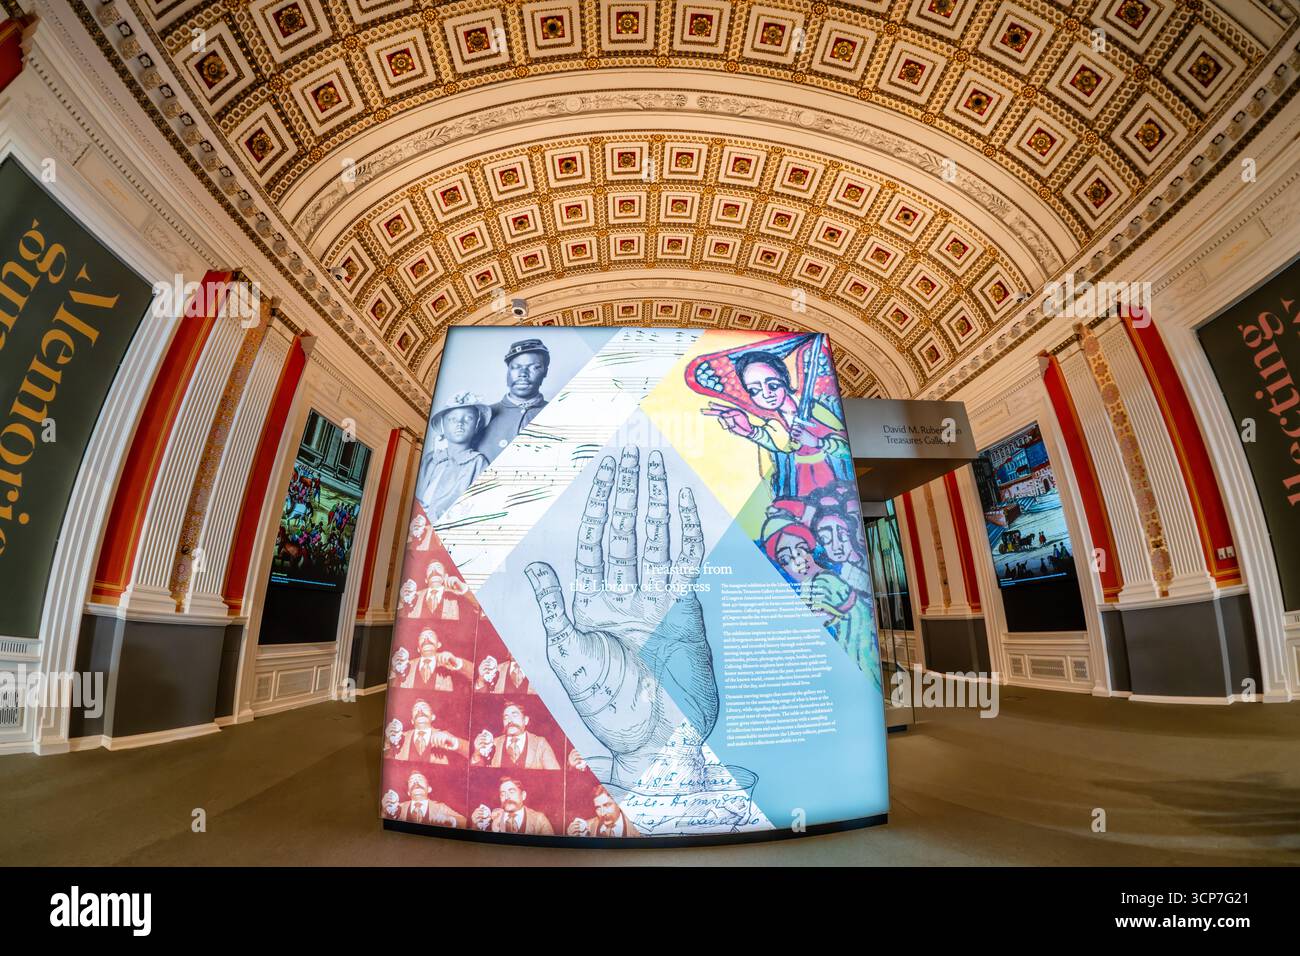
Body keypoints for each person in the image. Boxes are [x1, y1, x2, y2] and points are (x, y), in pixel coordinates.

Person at [701, 346, 852, 498]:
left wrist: (818, 442)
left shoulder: (817, 408)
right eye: (754, 390)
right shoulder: (774, 423)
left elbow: (846, 451)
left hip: (836, 491)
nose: (766, 394)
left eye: (772, 385)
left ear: (785, 380)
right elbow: (778, 448)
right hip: (797, 495)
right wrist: (750, 431)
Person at [417, 392, 491, 521]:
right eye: (452, 419)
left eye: (468, 418)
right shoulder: (430, 459)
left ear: (477, 426)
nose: (460, 423)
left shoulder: (477, 462)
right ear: (443, 426)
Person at [476, 339, 551, 461]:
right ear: (508, 371)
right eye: (516, 367)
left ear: (545, 372)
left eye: (534, 367)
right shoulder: (482, 416)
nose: (523, 374)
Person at [471, 701, 560, 769]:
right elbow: (477, 773)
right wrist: (476, 754)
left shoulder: (540, 743)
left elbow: (555, 774)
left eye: (514, 715)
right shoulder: (493, 743)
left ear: (525, 720)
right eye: (506, 717)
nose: (509, 720)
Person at [471, 777, 553, 835]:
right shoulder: (491, 818)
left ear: (523, 795)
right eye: (502, 794)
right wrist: (475, 825)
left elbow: (550, 850)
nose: (507, 797)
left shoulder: (539, 820)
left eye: (511, 792)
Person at [397, 698, 469, 763]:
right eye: (416, 709)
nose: (420, 711)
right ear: (412, 720)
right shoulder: (400, 737)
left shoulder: (445, 736)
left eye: (424, 708)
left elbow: (470, 752)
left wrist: (455, 742)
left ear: (433, 717)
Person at [401, 628, 472, 691]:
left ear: (439, 644)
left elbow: (474, 674)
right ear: (418, 649)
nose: (426, 639)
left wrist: (457, 662)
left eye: (431, 635)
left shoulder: (449, 662)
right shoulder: (405, 666)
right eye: (422, 637)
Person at [567, 785, 640, 837]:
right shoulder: (586, 827)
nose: (602, 813)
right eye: (598, 807)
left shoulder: (638, 829)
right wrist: (571, 837)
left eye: (607, 805)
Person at [400, 771, 466, 828]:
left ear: (429, 789)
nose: (415, 782)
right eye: (411, 781)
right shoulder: (398, 807)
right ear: (408, 792)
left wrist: (451, 820)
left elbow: (464, 822)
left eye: (420, 779)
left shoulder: (440, 807)